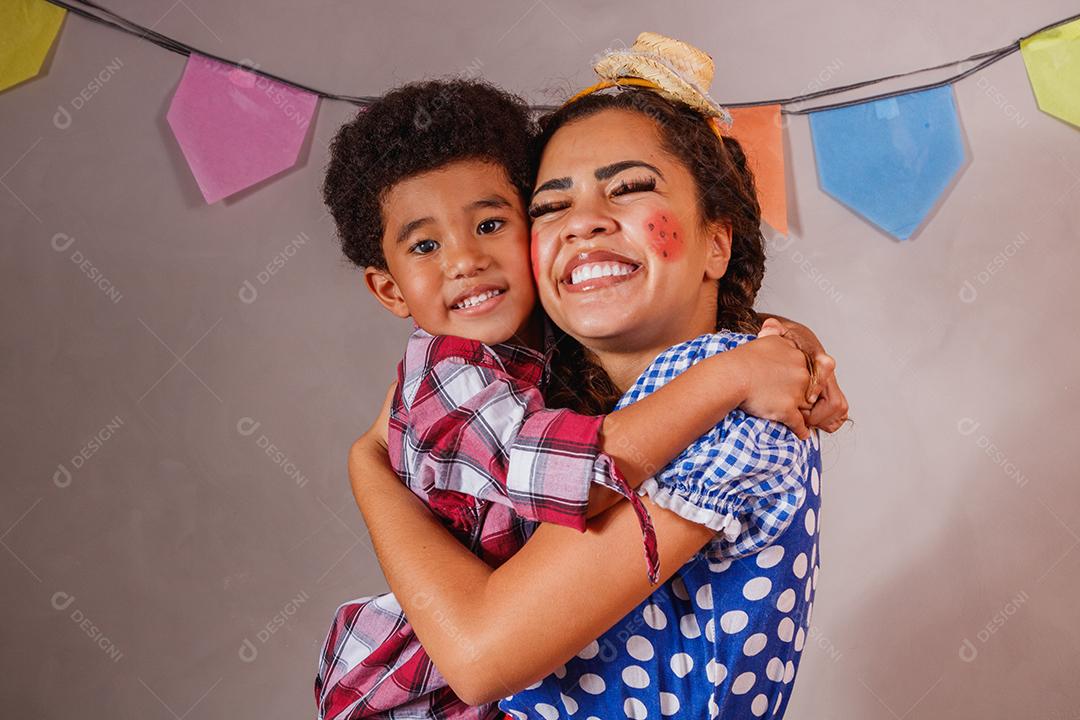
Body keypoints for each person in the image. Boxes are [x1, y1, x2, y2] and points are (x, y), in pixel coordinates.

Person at [343, 32, 845, 719]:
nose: (582, 225)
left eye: (632, 188)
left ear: (717, 240)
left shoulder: (717, 399)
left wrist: (368, 467)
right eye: (552, 206)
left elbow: (482, 657)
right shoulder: (544, 383)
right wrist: (366, 462)